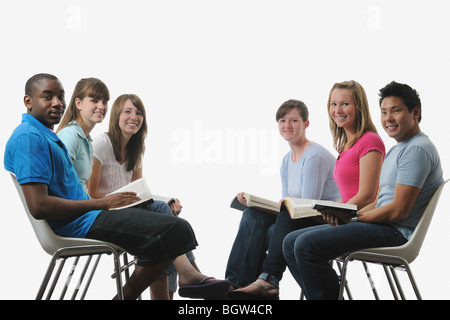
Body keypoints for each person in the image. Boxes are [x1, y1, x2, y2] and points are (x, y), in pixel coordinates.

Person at [4, 73, 230, 300]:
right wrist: (103, 202)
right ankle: (137, 293)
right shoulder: (30, 138)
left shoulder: (46, 137)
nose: (57, 103)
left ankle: (174, 280)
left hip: (88, 215)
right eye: (47, 97)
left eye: (60, 96)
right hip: (79, 222)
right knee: (175, 230)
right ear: (28, 101)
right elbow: (39, 206)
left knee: (171, 230)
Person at [283, 81, 443, 300]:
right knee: (291, 241)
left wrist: (355, 218)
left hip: (396, 233)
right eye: (384, 112)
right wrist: (349, 215)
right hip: (382, 226)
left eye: (395, 111)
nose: (388, 118)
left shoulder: (416, 150)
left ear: (415, 113)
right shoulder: (398, 149)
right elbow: (379, 200)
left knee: (305, 245)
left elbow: (398, 211)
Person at [88, 94, 202, 300]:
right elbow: (91, 194)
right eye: (128, 111)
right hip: (104, 213)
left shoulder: (136, 149)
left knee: (164, 215)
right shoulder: (101, 143)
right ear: (116, 116)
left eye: (139, 113)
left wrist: (167, 200)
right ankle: (190, 274)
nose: (134, 117)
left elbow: (139, 192)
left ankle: (186, 278)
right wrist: (119, 200)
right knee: (164, 223)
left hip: (127, 212)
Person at [226, 99, 341, 299]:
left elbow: (307, 207)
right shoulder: (287, 160)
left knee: (275, 221)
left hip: (324, 220)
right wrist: (254, 203)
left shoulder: (314, 157)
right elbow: (287, 205)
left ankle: (268, 279)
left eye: (294, 120)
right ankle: (236, 285)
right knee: (252, 215)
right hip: (296, 219)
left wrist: (285, 205)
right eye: (282, 120)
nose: (287, 126)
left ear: (306, 124)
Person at [56, 77, 109, 193]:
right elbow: (60, 186)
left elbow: (86, 189)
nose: (101, 106)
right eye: (94, 101)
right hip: (76, 209)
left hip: (86, 206)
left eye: (104, 102)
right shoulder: (70, 136)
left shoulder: (87, 141)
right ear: (78, 103)